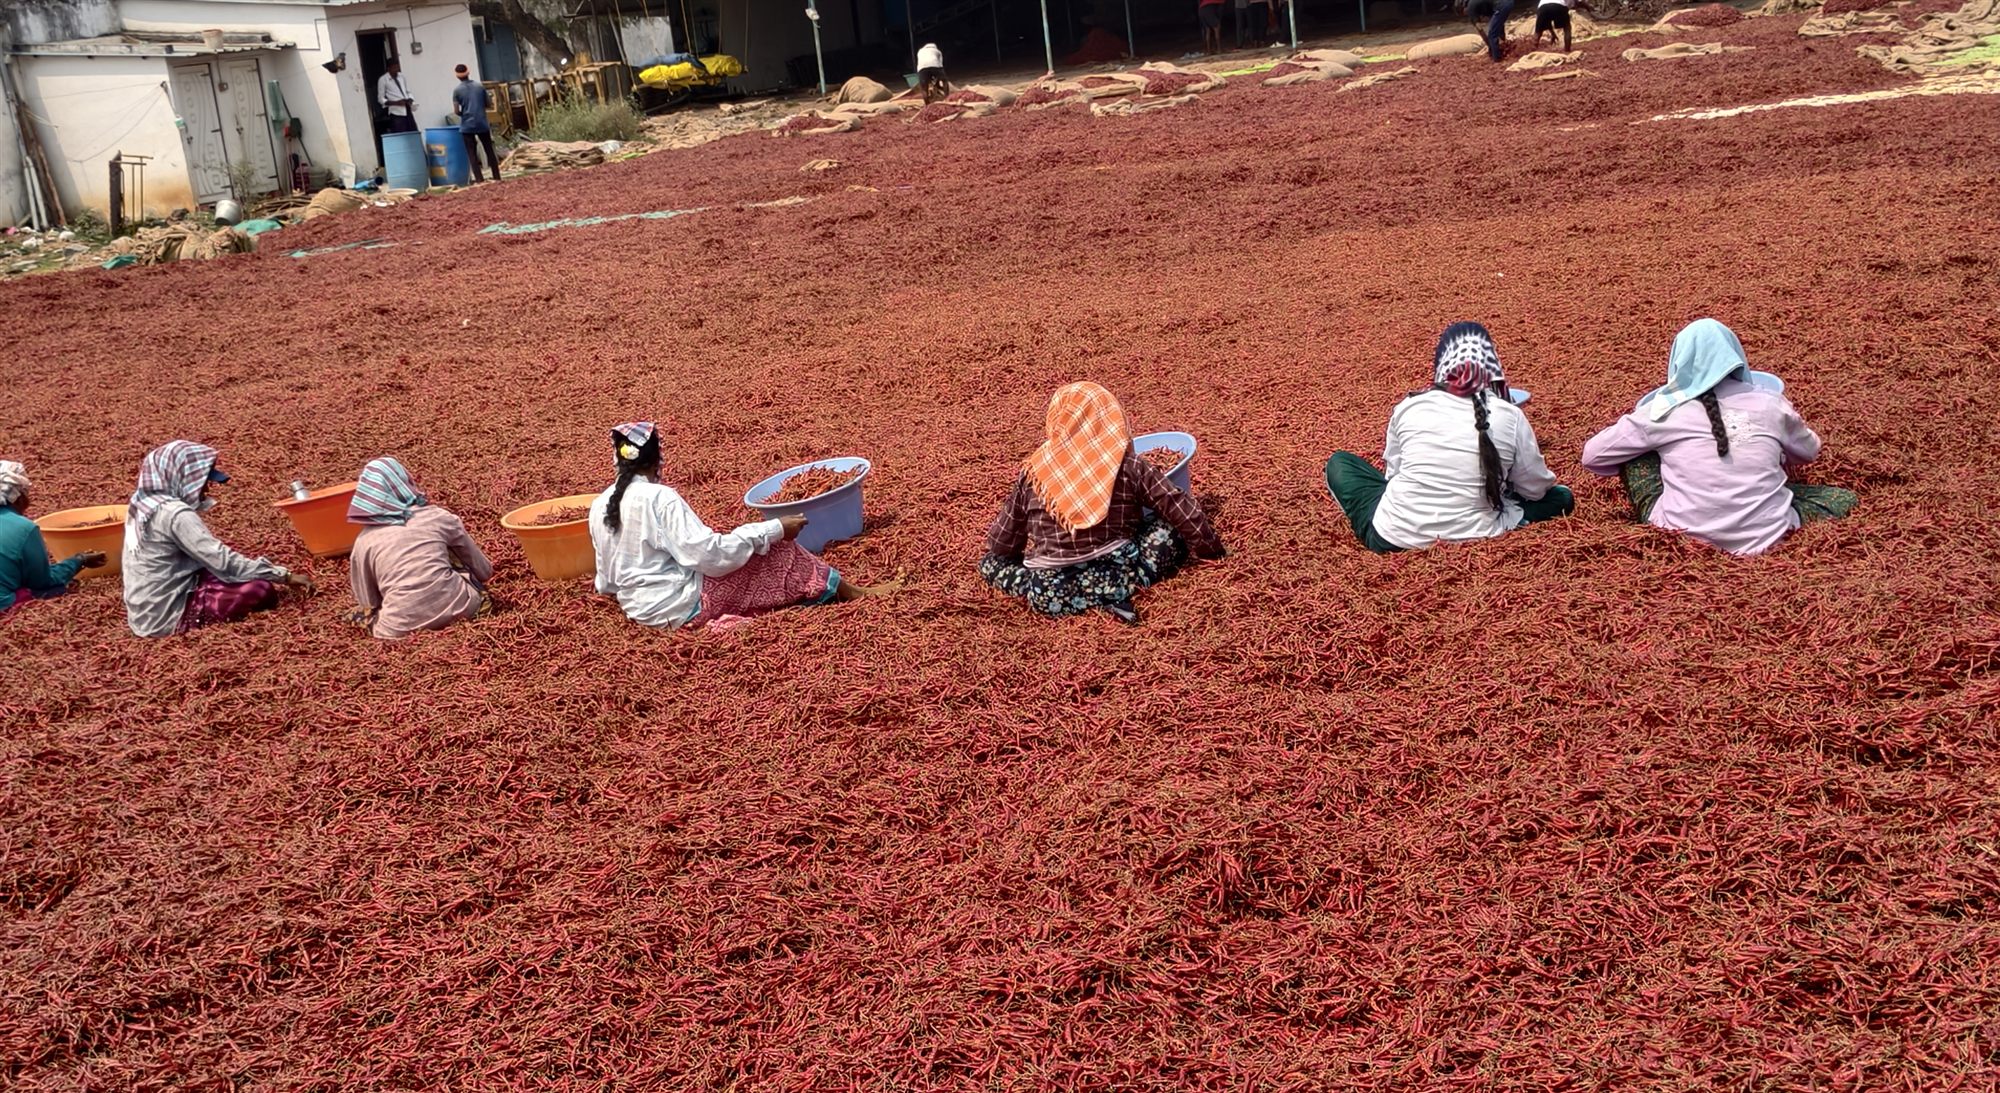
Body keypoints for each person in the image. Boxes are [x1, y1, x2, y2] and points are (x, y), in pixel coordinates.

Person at [1580, 318, 1856, 556]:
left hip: (1680, 536)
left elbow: (1593, 456)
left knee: (1636, 451)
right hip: (1771, 535)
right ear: (1737, 359)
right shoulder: (1770, 403)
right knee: (1842, 498)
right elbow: (1809, 452)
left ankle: (1682, 508)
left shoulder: (1660, 412)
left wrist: (1669, 456)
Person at [589, 422, 903, 630]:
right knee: (779, 551)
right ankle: (855, 593)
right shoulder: (660, 498)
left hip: (641, 613)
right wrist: (774, 529)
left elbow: (605, 582)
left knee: (754, 544)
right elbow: (709, 559)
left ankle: (801, 599)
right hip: (679, 608)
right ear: (658, 461)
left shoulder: (599, 504)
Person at [980, 382, 1225, 624]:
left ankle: (1054, 591)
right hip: (1121, 578)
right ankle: (1111, 597)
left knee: (990, 562)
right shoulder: (1128, 464)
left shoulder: (1034, 472)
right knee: (1168, 525)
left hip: (1050, 592)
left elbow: (1001, 544)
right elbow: (1179, 506)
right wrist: (1211, 550)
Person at [1324, 322, 1573, 553]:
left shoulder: (1409, 406)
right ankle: (1509, 520)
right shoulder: (1511, 414)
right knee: (1561, 498)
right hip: (1482, 533)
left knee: (1339, 463)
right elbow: (1536, 489)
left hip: (1394, 538)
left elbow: (1393, 477)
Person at [121, 441, 314, 637]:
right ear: (182, 477)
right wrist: (284, 576)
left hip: (144, 614)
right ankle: (187, 620)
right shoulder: (175, 514)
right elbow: (223, 562)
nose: (207, 488)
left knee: (231, 571)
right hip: (168, 616)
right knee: (259, 589)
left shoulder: (140, 506)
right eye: (202, 480)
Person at [345, 457, 495, 640]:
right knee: (447, 547)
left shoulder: (363, 542)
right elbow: (484, 571)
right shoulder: (437, 517)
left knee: (358, 615)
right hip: (464, 609)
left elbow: (368, 601)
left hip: (395, 631)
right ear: (406, 482)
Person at [1, 460, 106, 610]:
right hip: (3, 605)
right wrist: (78, 561)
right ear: (19, 497)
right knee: (53, 590)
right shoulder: (24, 528)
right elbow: (42, 581)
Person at [451, 64, 502, 183]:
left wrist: (464, 114)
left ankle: (479, 179)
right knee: (489, 150)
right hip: (482, 123)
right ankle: (497, 176)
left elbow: (456, 111)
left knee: (471, 153)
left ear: (457, 76)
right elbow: (488, 104)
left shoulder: (457, 91)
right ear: (468, 73)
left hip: (467, 125)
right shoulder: (479, 87)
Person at [378, 58, 416, 134]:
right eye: (394, 68)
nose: (396, 70)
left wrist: (410, 99)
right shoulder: (383, 80)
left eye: (397, 67)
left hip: (407, 109)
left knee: (413, 132)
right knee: (400, 135)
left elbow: (408, 91)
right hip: (396, 113)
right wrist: (396, 103)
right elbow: (380, 99)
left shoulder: (402, 77)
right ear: (388, 68)